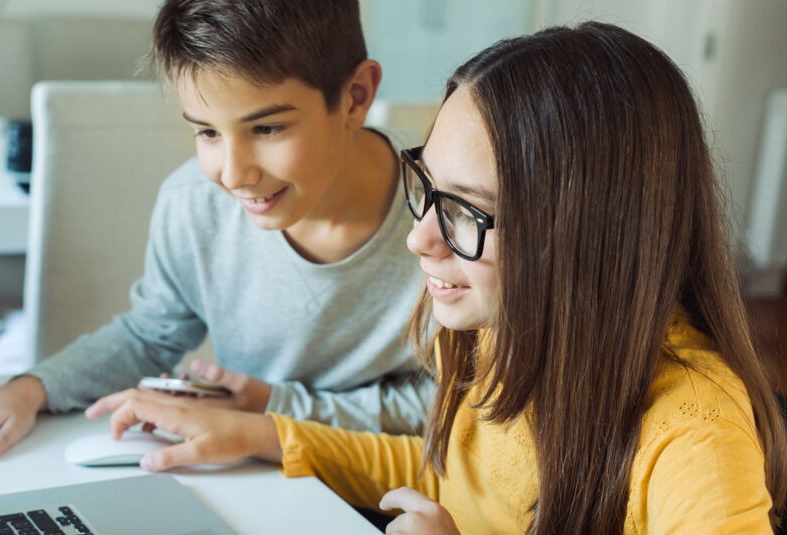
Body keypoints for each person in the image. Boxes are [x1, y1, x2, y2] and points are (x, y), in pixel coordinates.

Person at [85, 22, 787, 534]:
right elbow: (443, 474)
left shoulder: (692, 433)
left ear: (587, 235)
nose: (419, 237)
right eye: (427, 188)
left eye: (466, 211)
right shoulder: (496, 325)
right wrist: (262, 435)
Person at [0, 0, 434, 460]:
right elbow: (149, 335)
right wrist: (27, 391)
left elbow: (462, 405)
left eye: (268, 128)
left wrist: (276, 408)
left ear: (355, 96)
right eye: (206, 131)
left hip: (390, 486)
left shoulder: (453, 217)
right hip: (251, 469)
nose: (233, 175)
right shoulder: (193, 203)